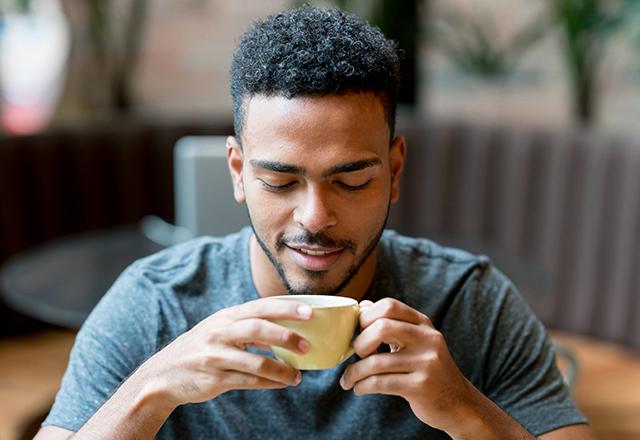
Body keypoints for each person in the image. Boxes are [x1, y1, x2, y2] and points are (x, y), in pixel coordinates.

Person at [36, 5, 596, 439]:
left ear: (395, 171)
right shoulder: (154, 304)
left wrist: (464, 411)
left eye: (351, 180)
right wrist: (153, 388)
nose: (315, 216)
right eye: (279, 182)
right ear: (237, 171)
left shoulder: (472, 302)